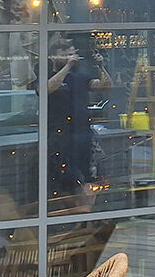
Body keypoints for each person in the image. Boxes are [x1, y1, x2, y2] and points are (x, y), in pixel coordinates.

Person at [45, 39, 110, 204]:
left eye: (71, 54)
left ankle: (85, 213)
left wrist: (100, 67)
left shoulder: (80, 77)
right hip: (59, 136)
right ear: (53, 58)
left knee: (87, 175)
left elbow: (105, 86)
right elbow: (47, 88)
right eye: (64, 55)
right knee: (64, 175)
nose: (69, 58)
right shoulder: (48, 75)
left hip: (82, 134)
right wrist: (67, 67)